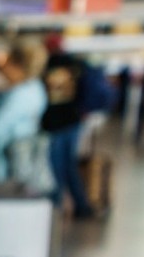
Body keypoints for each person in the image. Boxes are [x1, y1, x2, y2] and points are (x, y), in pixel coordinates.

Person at [41, 37, 109, 219]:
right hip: (73, 121)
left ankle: (55, 206)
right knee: (69, 165)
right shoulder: (77, 65)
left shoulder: (46, 65)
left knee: (55, 166)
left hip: (55, 123)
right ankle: (81, 205)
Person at [0, 41, 47, 184]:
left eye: (7, 63)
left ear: (17, 66)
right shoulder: (28, 89)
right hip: (6, 162)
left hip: (4, 166)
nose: (3, 68)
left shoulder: (24, 93)